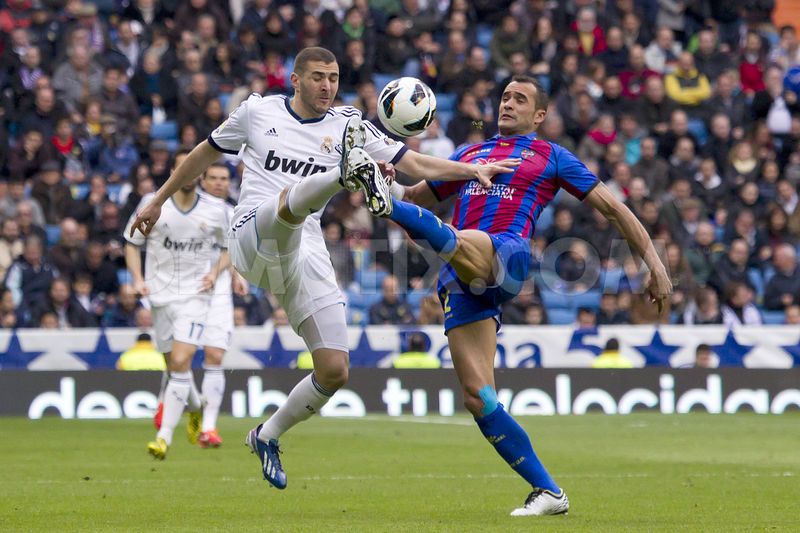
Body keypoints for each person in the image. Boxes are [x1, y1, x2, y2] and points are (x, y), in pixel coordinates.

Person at [129, 47, 514, 489]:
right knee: (285, 209)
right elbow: (203, 153)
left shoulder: (348, 123)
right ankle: (347, 174)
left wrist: (472, 169)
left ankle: (266, 435)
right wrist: (157, 200)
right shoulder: (258, 112)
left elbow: (415, 166)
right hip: (252, 232)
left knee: (334, 369)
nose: (326, 85)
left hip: (304, 250)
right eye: (317, 77)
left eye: (332, 77)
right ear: (295, 80)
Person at [345, 75, 672, 516]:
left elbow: (614, 208)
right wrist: (386, 182)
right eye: (504, 97)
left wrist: (654, 261)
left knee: (462, 237)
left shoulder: (551, 156)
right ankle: (549, 492)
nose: (507, 104)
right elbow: (416, 199)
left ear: (539, 115)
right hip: (462, 277)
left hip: (508, 253)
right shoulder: (467, 154)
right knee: (478, 397)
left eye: (520, 99)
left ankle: (388, 205)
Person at [124, 149, 231, 460]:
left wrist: (215, 272)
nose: (188, 173)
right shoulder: (153, 205)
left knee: (183, 360)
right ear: (172, 172)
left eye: (192, 168)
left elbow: (231, 246)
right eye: (180, 167)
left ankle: (163, 437)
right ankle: (195, 407)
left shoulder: (216, 210)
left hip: (196, 296)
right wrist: (136, 278)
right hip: (160, 295)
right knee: (174, 366)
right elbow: (132, 243)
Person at [195, 162, 249, 447]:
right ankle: (178, 407)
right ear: (202, 180)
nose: (219, 183)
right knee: (178, 357)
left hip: (217, 292)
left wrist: (235, 274)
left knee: (215, 355)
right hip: (185, 289)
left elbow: (232, 249)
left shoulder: (232, 213)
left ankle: (208, 427)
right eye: (213, 177)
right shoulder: (190, 208)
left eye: (224, 179)